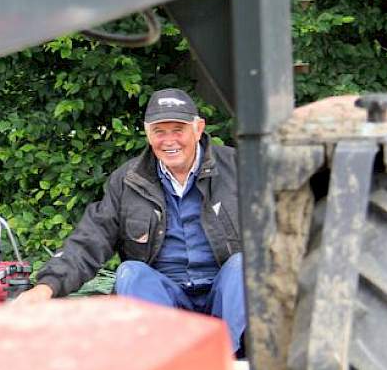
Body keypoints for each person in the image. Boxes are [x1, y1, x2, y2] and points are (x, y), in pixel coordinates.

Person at [15, 88, 245, 354]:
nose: (169, 140)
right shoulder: (128, 180)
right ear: (148, 133)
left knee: (242, 267)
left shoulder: (237, 167)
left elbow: (279, 227)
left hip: (225, 295)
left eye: (178, 129)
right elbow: (91, 238)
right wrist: (46, 287)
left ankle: (223, 362)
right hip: (165, 296)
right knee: (130, 272)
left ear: (198, 128)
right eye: (160, 131)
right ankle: (166, 363)